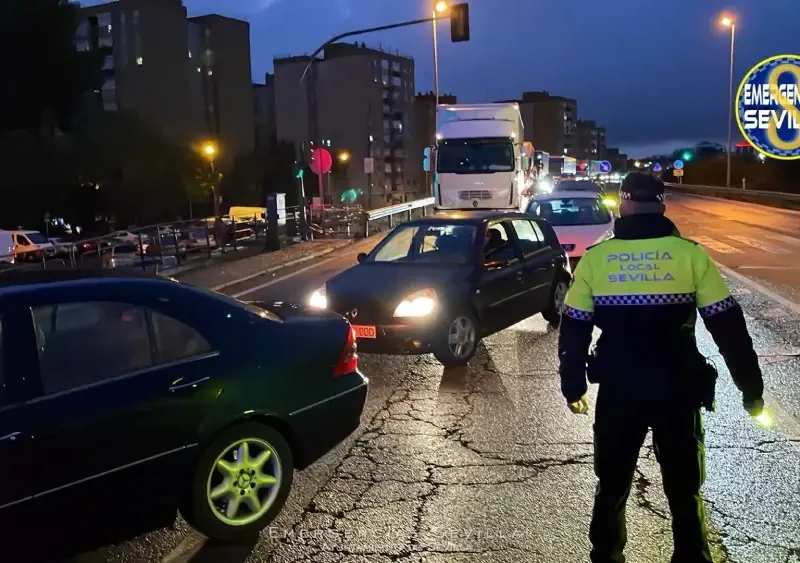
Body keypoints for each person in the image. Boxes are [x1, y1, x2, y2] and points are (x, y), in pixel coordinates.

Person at [557, 172, 765, 563]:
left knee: (612, 484)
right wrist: (750, 389)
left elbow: (574, 329)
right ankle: (691, 557)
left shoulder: (597, 259)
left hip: (620, 390)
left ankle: (607, 555)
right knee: (684, 487)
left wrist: (573, 387)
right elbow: (729, 328)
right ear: (662, 205)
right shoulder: (691, 255)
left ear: (623, 203)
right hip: (677, 387)